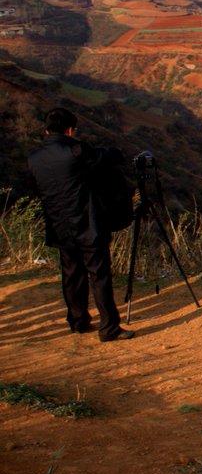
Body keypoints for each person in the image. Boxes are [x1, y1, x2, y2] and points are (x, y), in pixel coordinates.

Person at [27, 107, 135, 342]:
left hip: (59, 225)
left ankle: (77, 321)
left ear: (46, 130)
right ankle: (109, 328)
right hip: (87, 224)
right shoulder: (76, 151)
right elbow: (111, 156)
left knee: (71, 274)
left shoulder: (34, 159)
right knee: (99, 275)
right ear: (69, 130)